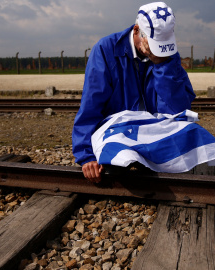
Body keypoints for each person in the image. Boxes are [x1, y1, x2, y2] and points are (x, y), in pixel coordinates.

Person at [72, 2, 195, 183]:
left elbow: (177, 109)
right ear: (137, 30)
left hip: (154, 132)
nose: (156, 50)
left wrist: (162, 66)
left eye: (161, 46)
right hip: (117, 132)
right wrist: (86, 155)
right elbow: (91, 105)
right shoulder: (106, 50)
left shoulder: (167, 55)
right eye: (153, 44)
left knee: (191, 136)